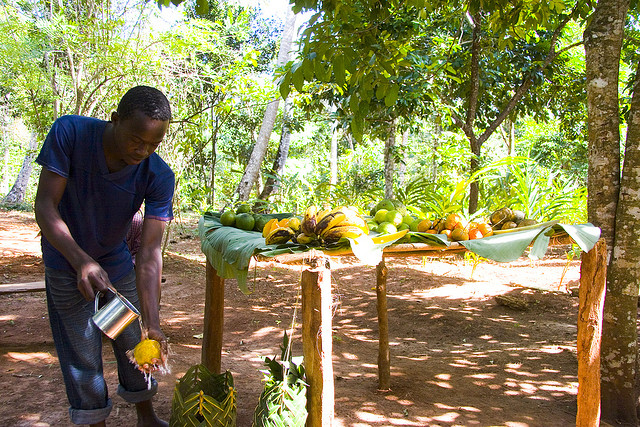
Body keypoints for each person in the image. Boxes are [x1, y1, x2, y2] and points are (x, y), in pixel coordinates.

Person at [34, 85, 174, 427]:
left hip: (114, 266)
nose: (142, 151)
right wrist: (80, 260)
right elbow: (46, 205)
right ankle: (95, 421)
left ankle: (146, 416)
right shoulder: (71, 133)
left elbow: (149, 252)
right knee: (82, 354)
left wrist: (153, 323)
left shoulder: (158, 175)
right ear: (115, 120)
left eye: (153, 145)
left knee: (133, 339)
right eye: (136, 140)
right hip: (65, 262)